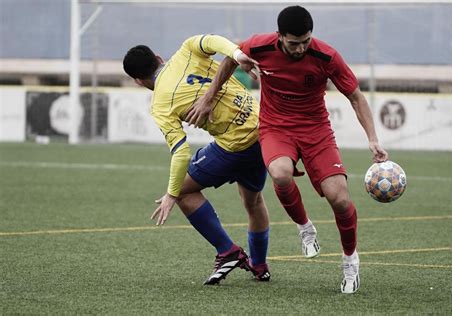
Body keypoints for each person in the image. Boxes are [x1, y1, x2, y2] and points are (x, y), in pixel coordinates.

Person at [188, 6, 388, 294]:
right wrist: (209, 98)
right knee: (280, 174)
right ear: (279, 36)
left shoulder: (327, 56)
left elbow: (355, 97)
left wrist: (372, 138)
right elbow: (230, 60)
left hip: (316, 130)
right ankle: (305, 227)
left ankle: (350, 260)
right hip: (275, 127)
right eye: (294, 43)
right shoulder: (259, 45)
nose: (301, 48)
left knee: (340, 199)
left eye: (306, 41)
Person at [122, 34, 271, 285]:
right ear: (158, 58)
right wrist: (237, 55)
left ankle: (228, 251)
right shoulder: (187, 49)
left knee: (183, 191)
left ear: (138, 82)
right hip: (263, 131)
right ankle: (260, 265)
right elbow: (215, 41)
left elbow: (181, 151)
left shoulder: (160, 105)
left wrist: (171, 194)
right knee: (253, 201)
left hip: (234, 146)